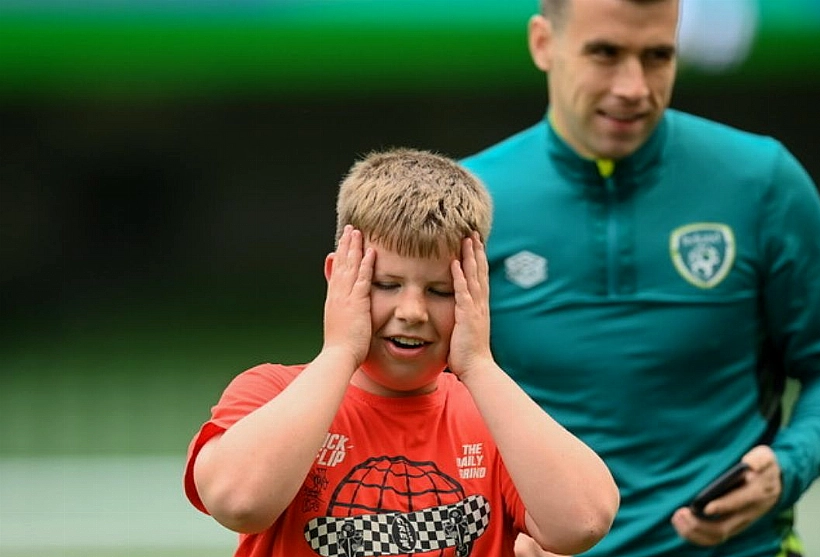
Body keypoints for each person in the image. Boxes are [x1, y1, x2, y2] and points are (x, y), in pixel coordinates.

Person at [460, 1, 820, 556]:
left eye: (657, 56)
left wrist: (788, 465)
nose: (634, 86)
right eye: (605, 54)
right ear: (543, 43)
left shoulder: (761, 181)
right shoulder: (467, 202)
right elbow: (408, 401)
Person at [183, 148, 620, 557]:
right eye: (386, 284)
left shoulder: (495, 415)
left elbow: (582, 523)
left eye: (441, 291)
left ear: (477, 291)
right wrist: (339, 352)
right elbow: (238, 502)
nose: (412, 312)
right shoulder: (272, 392)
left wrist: (479, 366)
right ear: (339, 278)